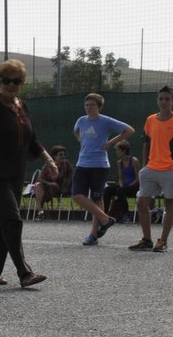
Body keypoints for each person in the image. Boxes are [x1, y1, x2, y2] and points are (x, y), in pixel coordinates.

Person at [0, 59, 56, 288]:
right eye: (6, 80)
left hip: (16, 174)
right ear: (1, 81)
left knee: (1, 222)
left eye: (16, 81)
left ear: (22, 83)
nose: (11, 84)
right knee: (12, 220)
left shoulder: (22, 105)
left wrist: (49, 160)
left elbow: (33, 140)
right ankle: (24, 272)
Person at [128, 86, 173, 253]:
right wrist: (146, 165)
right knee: (141, 202)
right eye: (161, 98)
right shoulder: (150, 120)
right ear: (157, 100)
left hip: (169, 169)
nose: (164, 102)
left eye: (167, 99)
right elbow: (146, 143)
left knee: (170, 204)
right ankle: (146, 239)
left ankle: (163, 241)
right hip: (151, 169)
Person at [72, 93, 133, 245]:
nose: (88, 107)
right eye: (86, 105)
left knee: (96, 198)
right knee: (77, 195)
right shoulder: (81, 120)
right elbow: (76, 131)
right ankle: (105, 220)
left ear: (99, 107)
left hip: (99, 165)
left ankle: (93, 235)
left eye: (92, 105)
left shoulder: (105, 121)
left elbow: (129, 130)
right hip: (82, 163)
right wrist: (81, 141)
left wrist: (111, 142)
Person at [30, 145, 74, 214]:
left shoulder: (66, 164)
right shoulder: (48, 165)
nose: (63, 156)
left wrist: (66, 184)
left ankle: (39, 208)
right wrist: (49, 183)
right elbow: (39, 178)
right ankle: (40, 210)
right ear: (54, 156)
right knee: (39, 185)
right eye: (60, 155)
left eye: (64, 154)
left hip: (62, 188)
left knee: (46, 188)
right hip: (49, 187)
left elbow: (71, 175)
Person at [105, 143, 141, 223]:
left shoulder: (134, 161)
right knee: (108, 190)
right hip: (124, 187)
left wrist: (127, 186)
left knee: (120, 191)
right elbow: (120, 178)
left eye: (118, 150)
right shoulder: (119, 163)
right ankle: (105, 214)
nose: (116, 152)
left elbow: (138, 178)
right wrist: (121, 185)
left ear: (124, 150)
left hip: (134, 186)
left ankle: (126, 214)